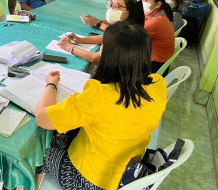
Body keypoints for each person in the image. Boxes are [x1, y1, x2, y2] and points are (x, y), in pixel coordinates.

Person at [36, 21, 167, 190]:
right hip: (127, 173)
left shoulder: (101, 95)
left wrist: (51, 85)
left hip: (90, 180)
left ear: (109, 56)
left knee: (39, 151)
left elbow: (42, 118)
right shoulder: (159, 84)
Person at [58, 0, 144, 64]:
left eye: (116, 6)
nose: (110, 8)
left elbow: (95, 58)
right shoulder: (132, 27)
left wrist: (69, 47)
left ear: (128, 12)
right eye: (111, 4)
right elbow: (109, 37)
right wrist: (81, 40)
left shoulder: (125, 33)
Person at [141, 0, 175, 74]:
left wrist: (101, 25)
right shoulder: (155, 14)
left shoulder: (156, 22)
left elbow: (128, 36)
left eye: (146, 0)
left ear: (157, 4)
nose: (142, 3)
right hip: (157, 59)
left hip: (155, 66)